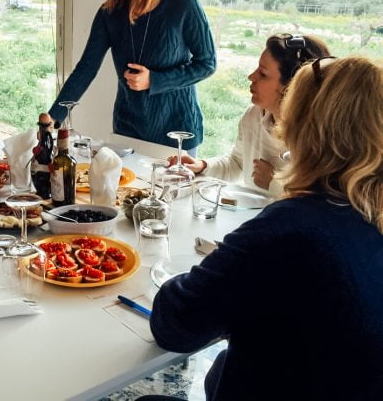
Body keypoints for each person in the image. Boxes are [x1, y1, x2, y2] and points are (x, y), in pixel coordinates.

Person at [150, 56, 383, 400]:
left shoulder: (290, 227)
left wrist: (190, 273)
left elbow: (174, 325)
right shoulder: (366, 216)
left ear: (303, 128)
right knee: (220, 369)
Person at [47, 0, 216, 154]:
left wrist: (154, 80)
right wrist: (54, 115)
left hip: (176, 132)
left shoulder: (183, 4)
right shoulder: (110, 13)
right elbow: (86, 68)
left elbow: (207, 64)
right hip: (127, 130)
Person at [169, 34, 330, 195]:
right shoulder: (254, 115)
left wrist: (273, 183)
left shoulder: (318, 138)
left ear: (291, 86)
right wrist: (203, 166)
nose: (251, 77)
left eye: (263, 74)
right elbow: (238, 163)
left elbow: (319, 203)